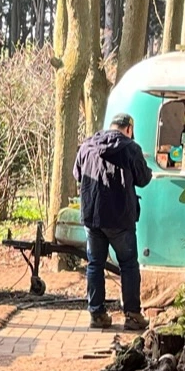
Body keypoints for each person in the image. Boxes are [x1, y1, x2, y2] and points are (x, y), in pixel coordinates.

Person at [75, 112, 153, 331]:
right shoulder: (130, 148)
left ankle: (97, 313)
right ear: (128, 128)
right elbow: (143, 179)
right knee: (128, 265)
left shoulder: (87, 145)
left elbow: (77, 174)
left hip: (92, 216)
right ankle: (132, 315)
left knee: (95, 264)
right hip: (120, 218)